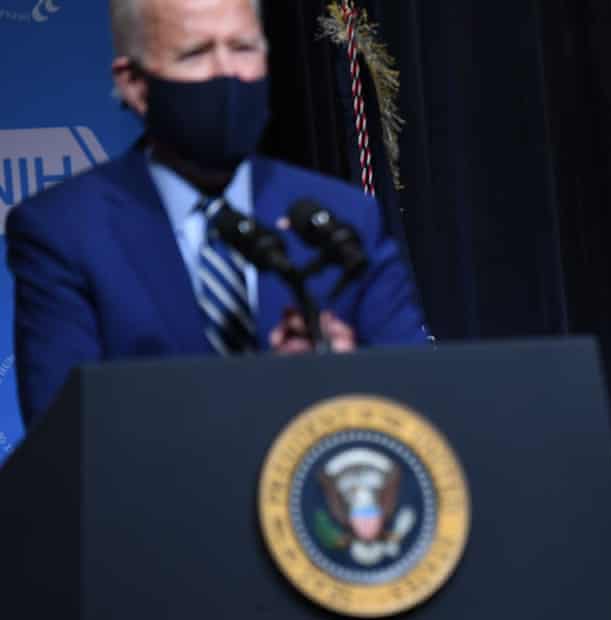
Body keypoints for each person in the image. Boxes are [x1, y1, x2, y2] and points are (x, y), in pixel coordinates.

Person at [6, 0, 427, 426]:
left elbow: (420, 396)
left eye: (243, 48)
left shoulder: (343, 216)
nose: (227, 73)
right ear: (134, 84)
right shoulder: (65, 231)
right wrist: (264, 394)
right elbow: (65, 433)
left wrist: (346, 378)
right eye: (195, 53)